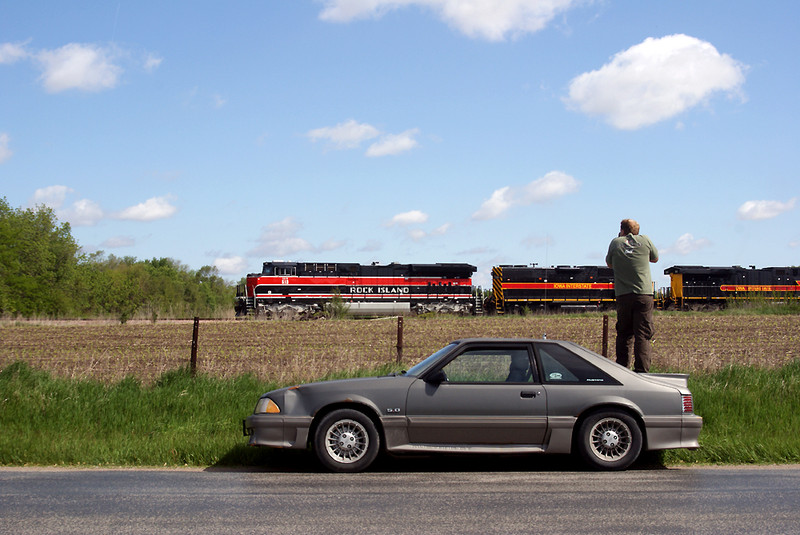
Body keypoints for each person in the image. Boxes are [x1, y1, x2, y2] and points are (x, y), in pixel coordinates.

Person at [605, 219, 658, 373]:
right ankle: (642, 371)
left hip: (623, 295)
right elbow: (655, 258)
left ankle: (622, 370)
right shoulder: (646, 240)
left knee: (624, 334)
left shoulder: (615, 243)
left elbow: (609, 264)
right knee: (642, 335)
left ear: (622, 230)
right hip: (644, 294)